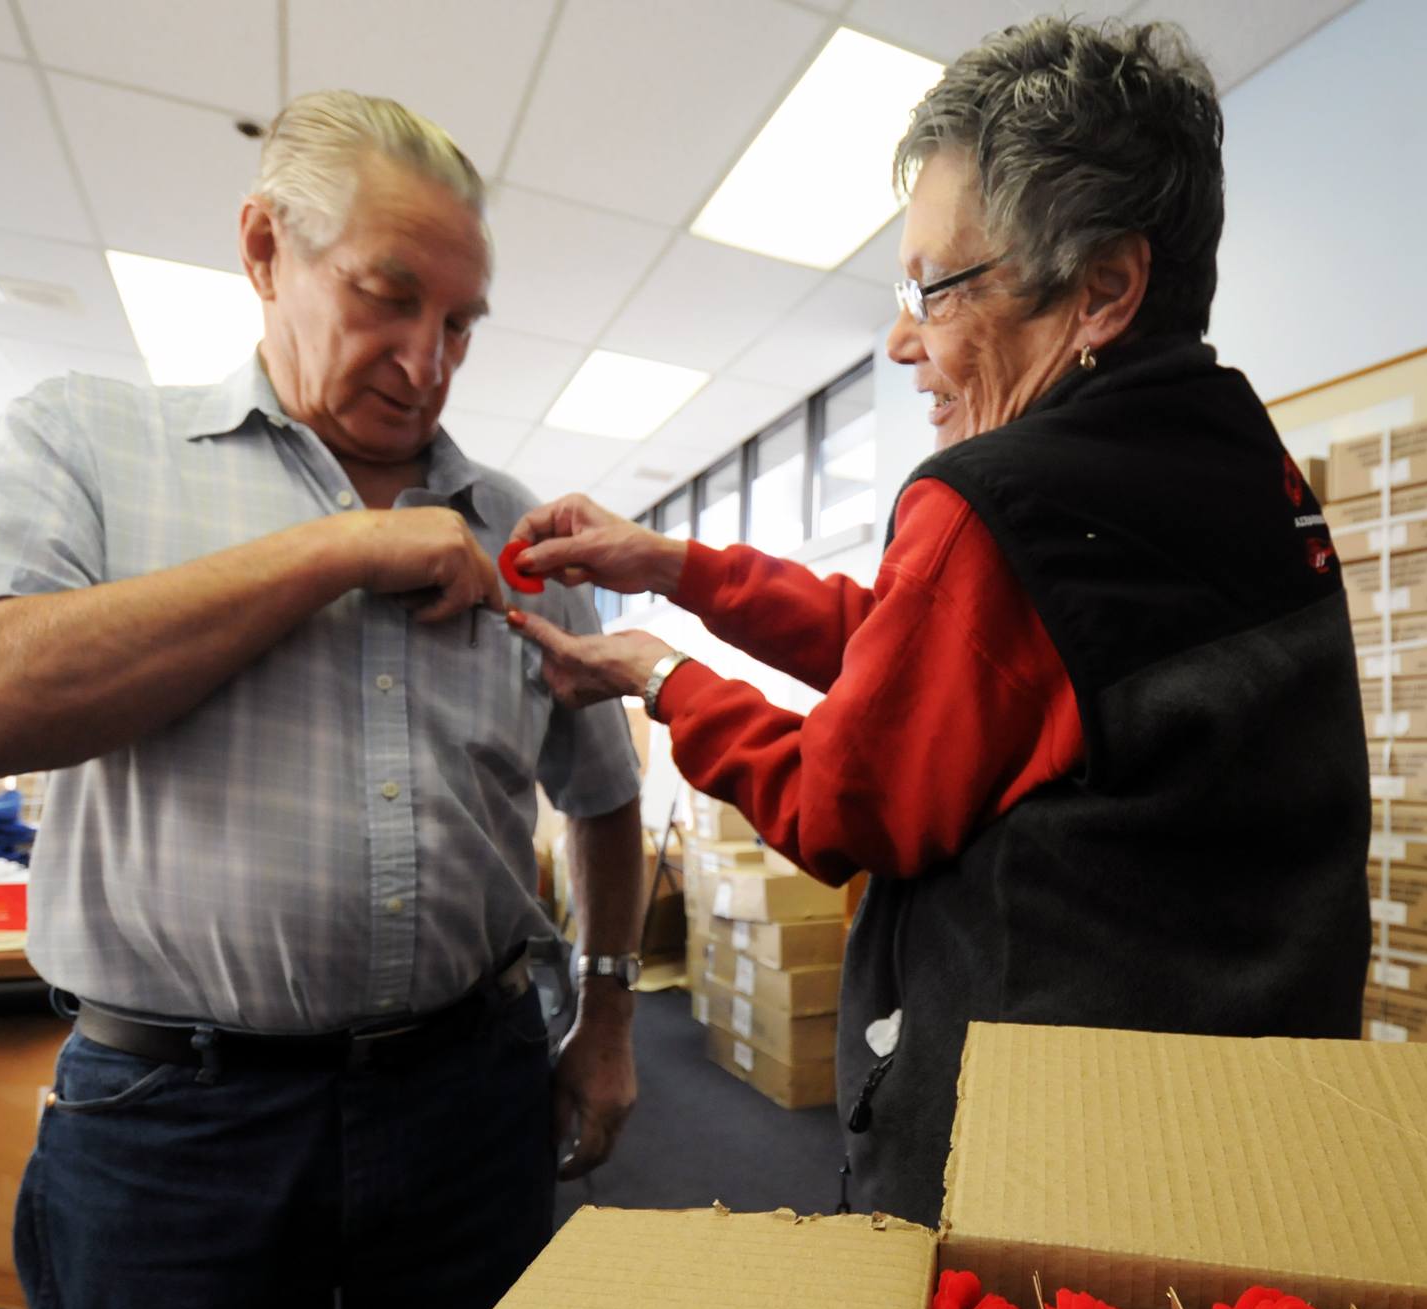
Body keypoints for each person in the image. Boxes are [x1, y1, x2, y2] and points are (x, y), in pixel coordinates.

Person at [0, 92, 644, 1309]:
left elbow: (601, 794)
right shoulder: (83, 444)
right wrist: (340, 548)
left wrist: (602, 1020)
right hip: (175, 1123)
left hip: (468, 1095)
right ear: (264, 248)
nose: (427, 364)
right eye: (387, 298)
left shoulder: (521, 529)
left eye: (462, 323)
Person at [502, 19, 1370, 1228]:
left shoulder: (1004, 497)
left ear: (1104, 289)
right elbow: (950, 661)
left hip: (1048, 1155)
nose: (905, 340)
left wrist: (661, 679)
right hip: (1247, 1115)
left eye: (932, 289)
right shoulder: (1229, 458)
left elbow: (843, 797)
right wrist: (680, 566)